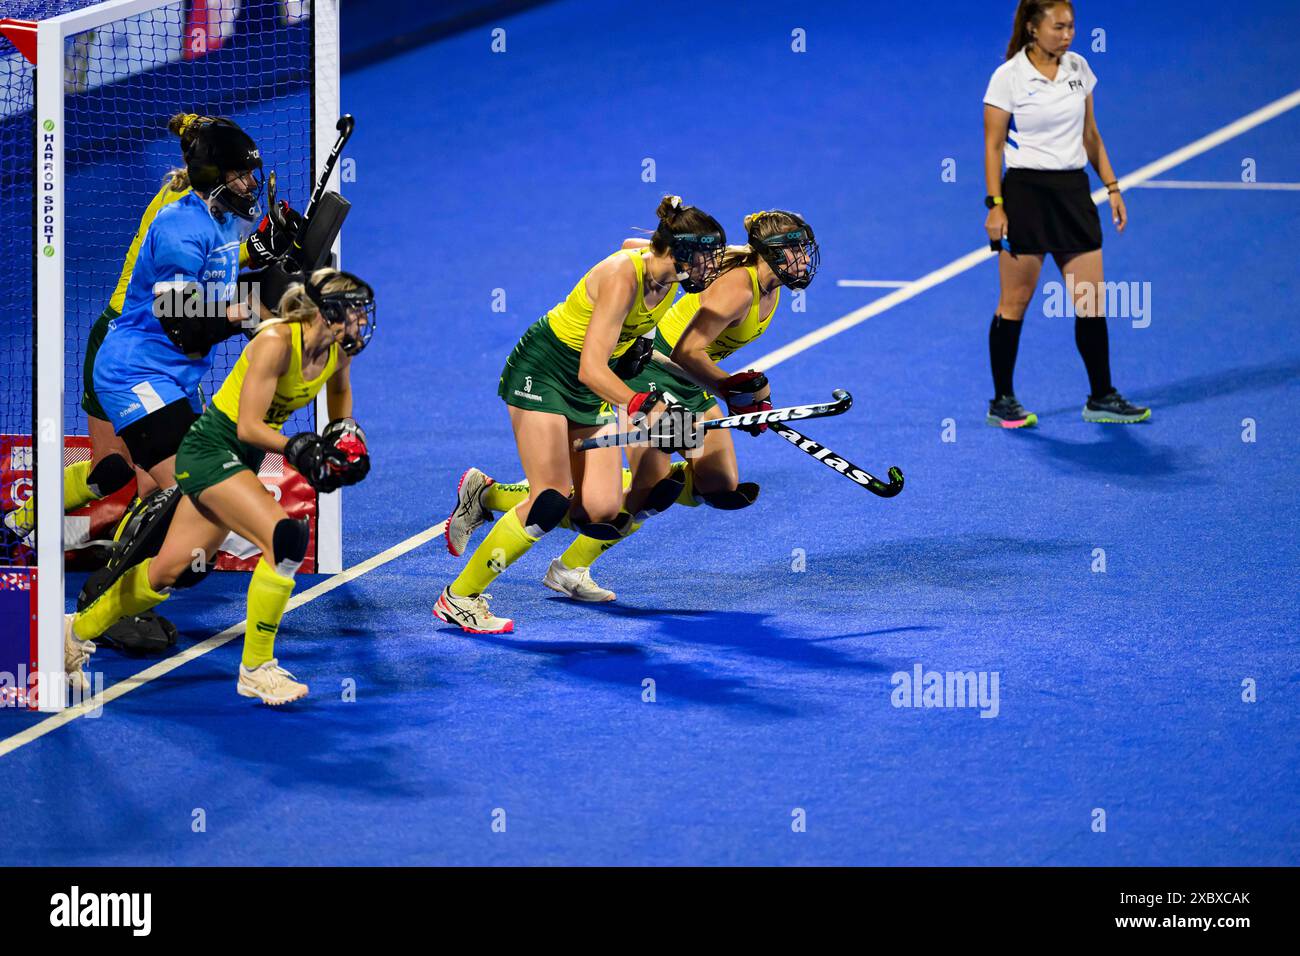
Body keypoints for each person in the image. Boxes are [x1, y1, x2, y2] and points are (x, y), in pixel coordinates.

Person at [449, 210, 818, 602]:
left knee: (716, 484)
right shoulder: (731, 287)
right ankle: (501, 558)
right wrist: (726, 393)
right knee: (627, 493)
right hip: (644, 373)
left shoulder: (714, 273)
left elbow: (635, 250)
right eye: (794, 250)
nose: (804, 259)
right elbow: (677, 346)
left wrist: (744, 396)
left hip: (669, 375)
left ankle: (513, 517)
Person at [64, 268, 375, 704]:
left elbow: (340, 398)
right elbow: (248, 427)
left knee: (172, 569)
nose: (361, 323)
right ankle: (256, 668)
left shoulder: (337, 353)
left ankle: (73, 632)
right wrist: (301, 448)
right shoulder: (276, 343)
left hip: (238, 458)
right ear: (326, 313)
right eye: (354, 313)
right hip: (211, 450)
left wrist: (345, 435)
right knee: (284, 539)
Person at [437, 196, 727, 633]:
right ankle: (459, 598)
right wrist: (641, 405)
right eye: (704, 257)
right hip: (546, 372)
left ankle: (486, 495)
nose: (710, 268)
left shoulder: (662, 267)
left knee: (600, 510)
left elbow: (637, 243)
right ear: (678, 252)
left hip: (588, 381)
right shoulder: (621, 279)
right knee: (550, 499)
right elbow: (591, 369)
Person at [982, 0, 1148, 427]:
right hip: (1026, 196)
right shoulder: (1008, 78)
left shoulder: (1078, 68)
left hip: (1073, 194)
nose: (1068, 34)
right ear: (1034, 29)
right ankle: (1002, 399)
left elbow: (1091, 135)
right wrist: (995, 206)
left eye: (1072, 26)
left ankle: (1101, 396)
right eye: (1059, 26)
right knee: (1014, 302)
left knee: (1091, 301)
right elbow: (993, 147)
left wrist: (1111, 186)